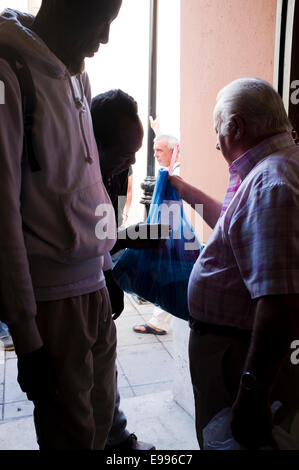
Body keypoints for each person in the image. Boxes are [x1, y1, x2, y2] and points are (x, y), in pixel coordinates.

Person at [0, 0, 123, 450]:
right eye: (101, 22)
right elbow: (3, 219)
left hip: (93, 289)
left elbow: (91, 183)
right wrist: (27, 338)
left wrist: (107, 267)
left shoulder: (77, 75)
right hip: (52, 302)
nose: (104, 39)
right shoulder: (7, 73)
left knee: (102, 418)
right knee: (68, 435)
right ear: (65, 9)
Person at [169, 77, 299, 449]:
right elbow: (232, 224)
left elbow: (278, 303)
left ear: (236, 127)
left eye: (217, 129)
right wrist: (181, 189)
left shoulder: (271, 184)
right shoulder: (274, 169)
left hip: (238, 354)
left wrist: (252, 395)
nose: (215, 142)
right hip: (234, 347)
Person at [91, 89, 155, 450]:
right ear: (94, 140)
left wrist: (147, 237)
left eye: (135, 153)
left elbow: (109, 232)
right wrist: (109, 272)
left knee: (105, 369)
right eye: (122, 152)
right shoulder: (71, 175)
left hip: (100, 279)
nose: (130, 161)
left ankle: (116, 439)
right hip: (67, 290)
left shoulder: (118, 170)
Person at [133, 134, 180, 335]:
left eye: (159, 150)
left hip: (175, 233)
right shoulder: (171, 170)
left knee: (171, 277)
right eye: (154, 150)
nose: (155, 154)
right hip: (170, 232)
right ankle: (158, 321)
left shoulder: (178, 172)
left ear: (173, 151)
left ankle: (158, 322)